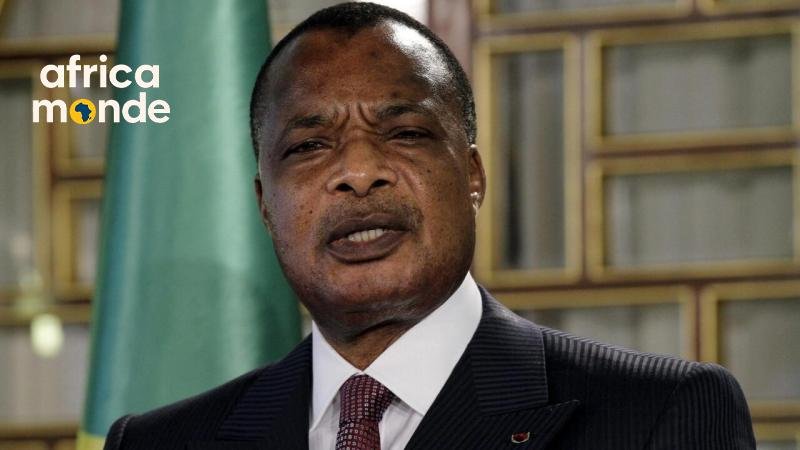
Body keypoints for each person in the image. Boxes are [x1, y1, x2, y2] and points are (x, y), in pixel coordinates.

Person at [103, 3, 755, 449]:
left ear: (472, 175)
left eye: (405, 133)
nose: (359, 172)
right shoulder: (158, 443)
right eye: (309, 146)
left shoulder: (660, 415)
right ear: (264, 206)